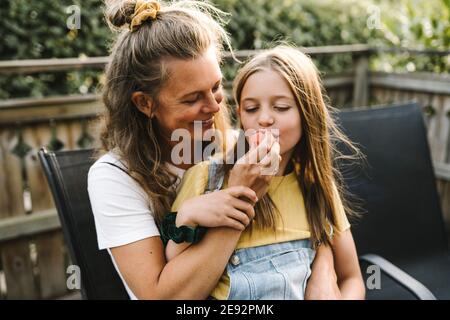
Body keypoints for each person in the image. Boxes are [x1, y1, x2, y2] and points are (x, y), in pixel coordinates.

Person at [88, 0, 344, 300]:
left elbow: (305, 214)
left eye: (216, 86)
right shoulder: (114, 178)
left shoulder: (239, 147)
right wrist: (240, 197)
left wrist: (323, 264)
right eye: (192, 98)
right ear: (146, 103)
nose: (214, 106)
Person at [165, 46, 366, 300]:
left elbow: (352, 279)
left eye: (281, 107)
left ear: (308, 115)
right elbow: (174, 268)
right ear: (240, 115)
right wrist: (187, 215)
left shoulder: (316, 188)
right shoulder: (207, 177)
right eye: (251, 109)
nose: (264, 119)